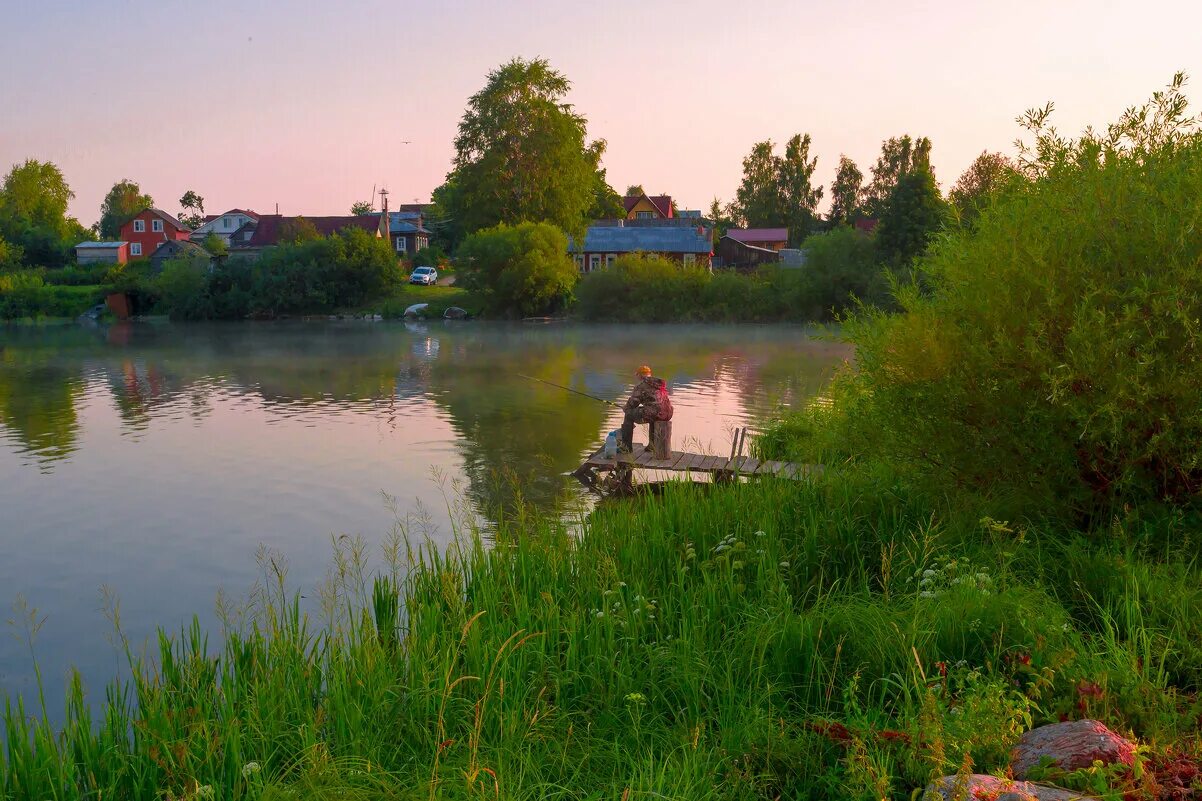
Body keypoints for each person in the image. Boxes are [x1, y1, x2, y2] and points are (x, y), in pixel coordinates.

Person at [620, 365, 672, 453]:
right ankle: (652, 446)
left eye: (637, 375)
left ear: (640, 375)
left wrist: (626, 408)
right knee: (652, 413)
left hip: (655, 413)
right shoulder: (658, 384)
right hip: (668, 413)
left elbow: (633, 403)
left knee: (628, 414)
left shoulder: (641, 385)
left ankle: (626, 447)